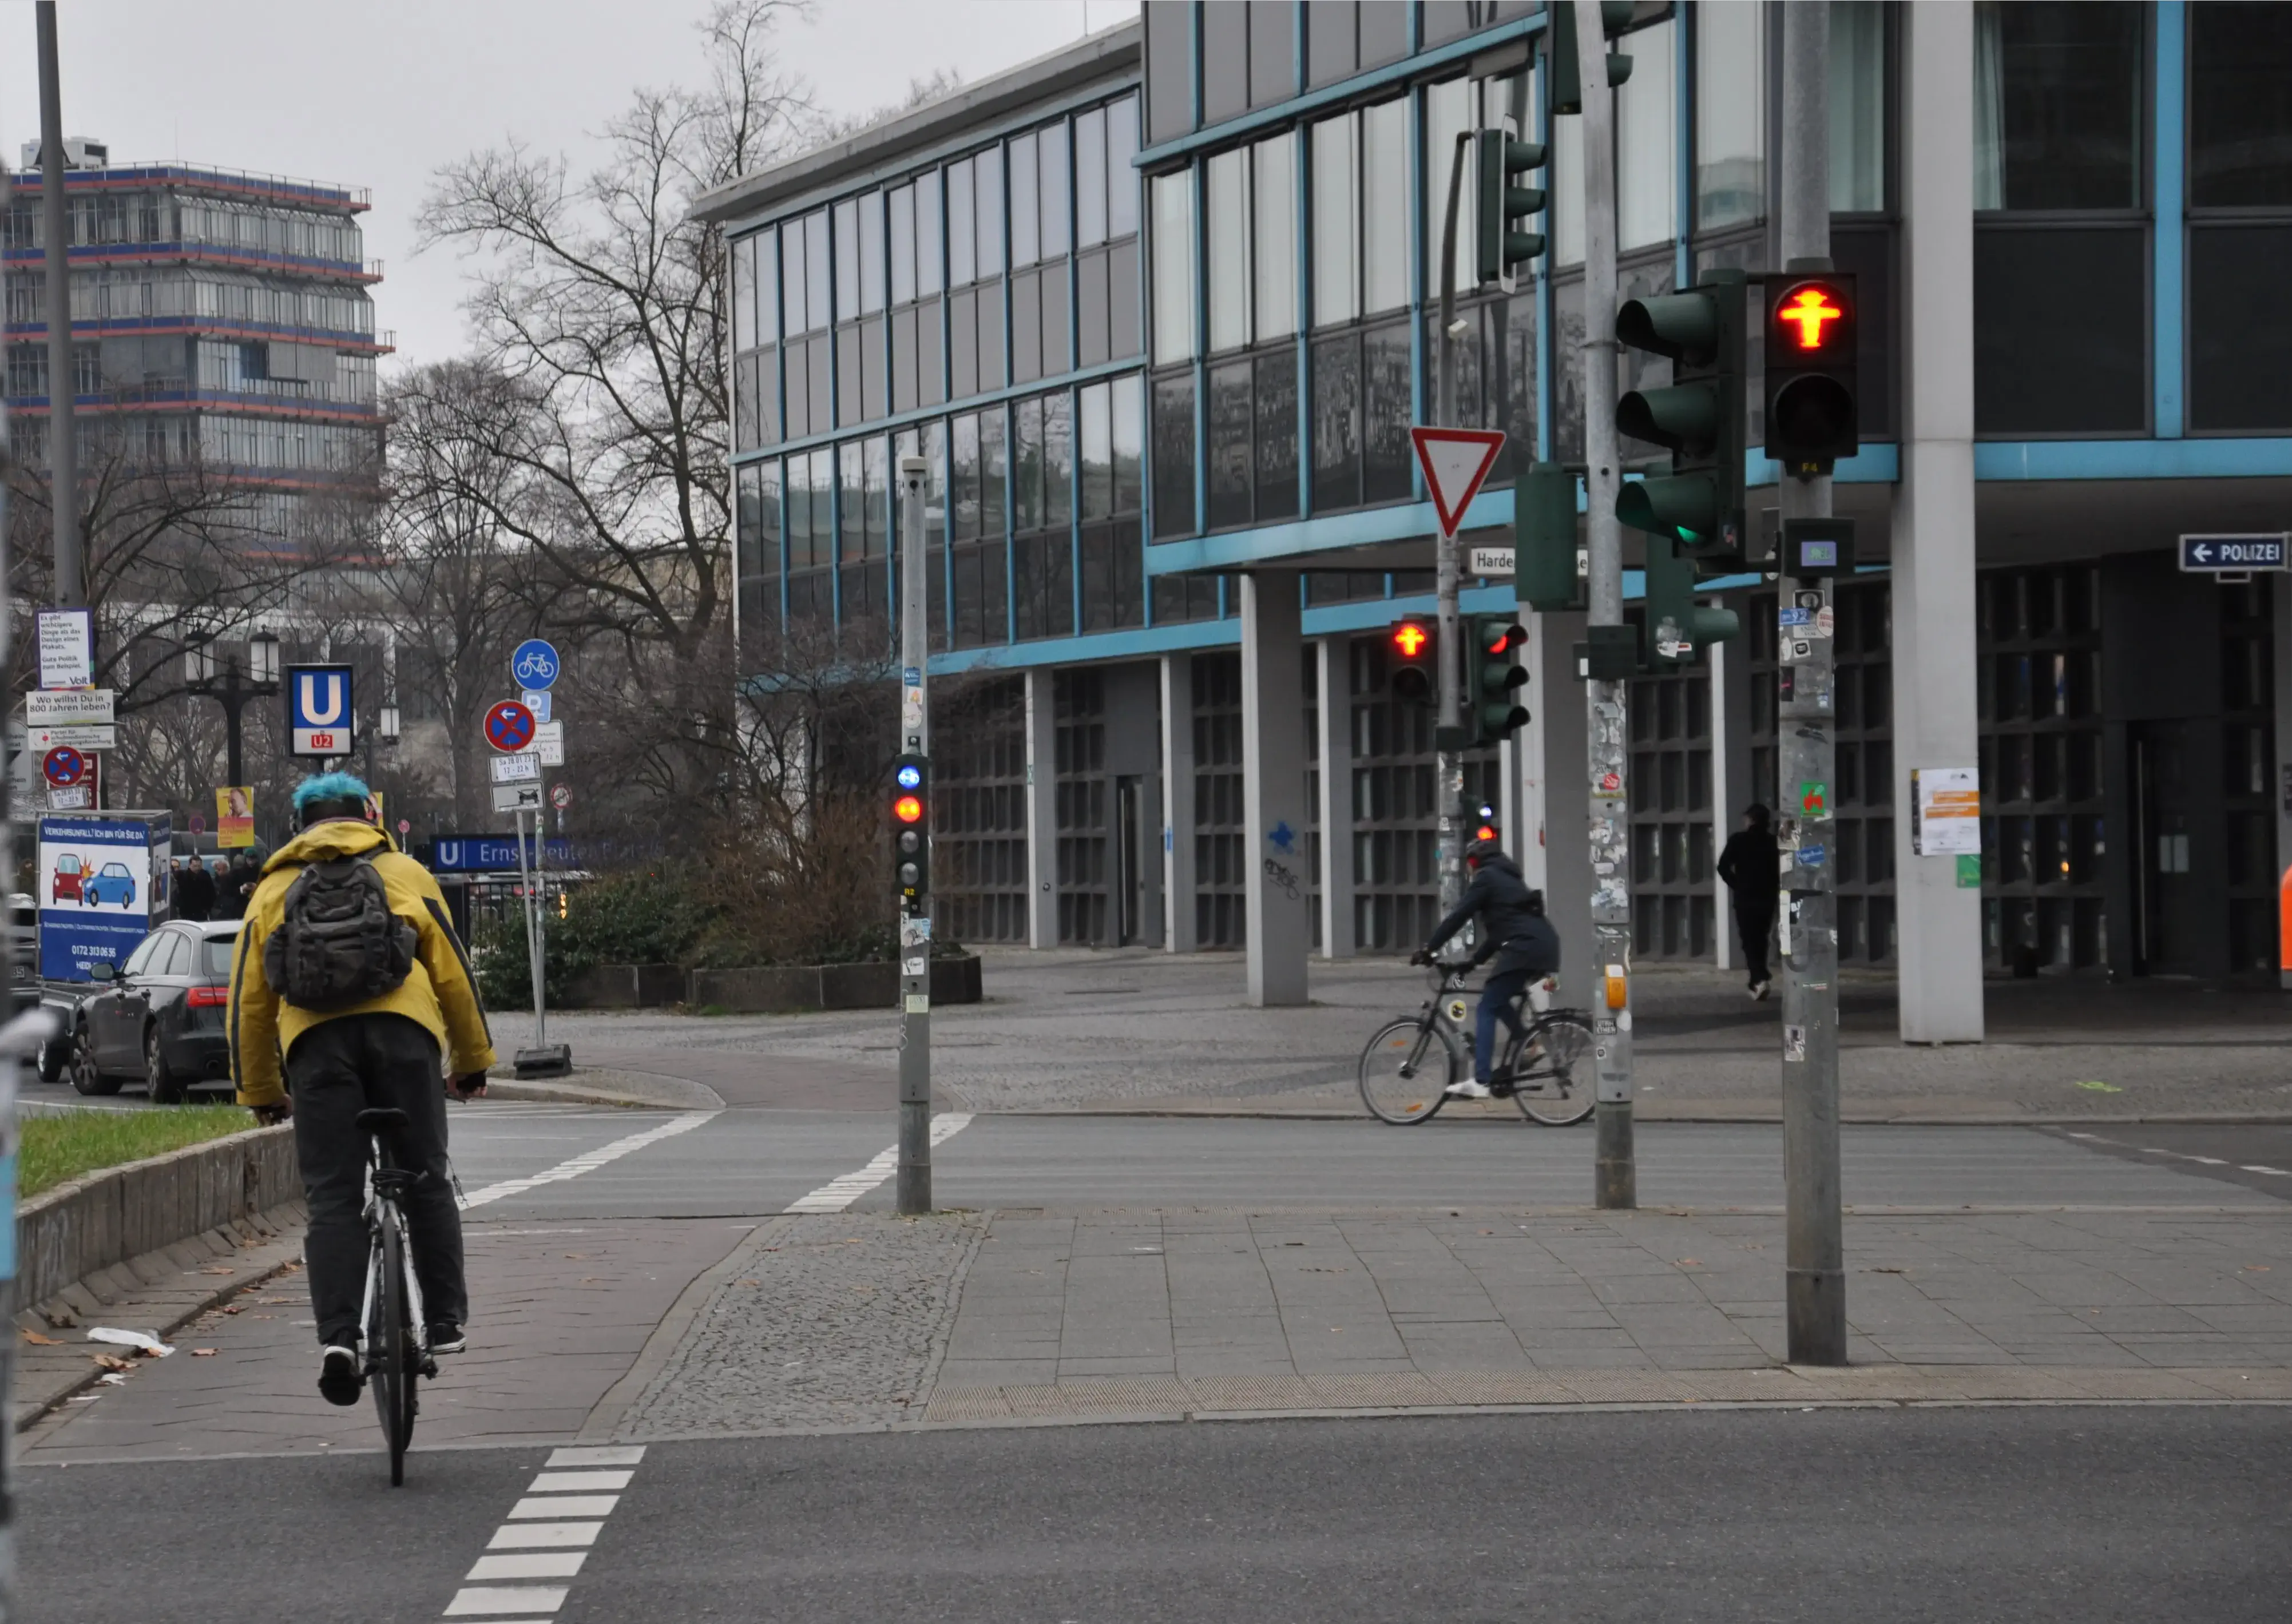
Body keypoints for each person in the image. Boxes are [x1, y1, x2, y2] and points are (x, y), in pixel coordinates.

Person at [229, 772, 494, 1407]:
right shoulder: (405, 873)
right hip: (405, 1041)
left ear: (300, 825)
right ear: (369, 816)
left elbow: (249, 1002)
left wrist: (262, 1090)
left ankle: (339, 1339)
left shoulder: (273, 887)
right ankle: (444, 1321)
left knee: (332, 1197)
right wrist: (472, 1060)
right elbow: (454, 974)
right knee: (425, 1175)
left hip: (317, 1053)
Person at [1413, 836, 1562, 1100]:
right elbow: (1498, 935)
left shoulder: (1487, 878)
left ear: (1474, 861)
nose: (1469, 870)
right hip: (1542, 946)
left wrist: (1430, 949)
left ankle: (1481, 1080)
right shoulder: (1508, 879)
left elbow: (1459, 915)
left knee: (1487, 1006)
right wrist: (1472, 963)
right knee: (1496, 998)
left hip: (1525, 948)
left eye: (1469, 863)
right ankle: (1529, 1043)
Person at [1716, 803, 1781, 1000]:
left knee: (1749, 940)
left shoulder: (1739, 840)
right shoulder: (1773, 842)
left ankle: (1760, 978)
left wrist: (1738, 885)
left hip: (1745, 898)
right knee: (1761, 938)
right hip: (1767, 897)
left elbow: (1723, 867)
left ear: (1750, 819)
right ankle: (1757, 980)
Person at [174, 855, 216, 923]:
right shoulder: (184, 876)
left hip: (202, 910)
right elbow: (180, 894)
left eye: (199, 866)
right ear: (190, 865)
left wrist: (208, 907)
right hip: (187, 911)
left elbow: (211, 892)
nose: (197, 868)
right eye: (195, 866)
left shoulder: (205, 875)